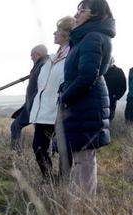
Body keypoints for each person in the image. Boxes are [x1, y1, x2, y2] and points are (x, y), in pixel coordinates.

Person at [59, 0, 115, 195]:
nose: (76, 15)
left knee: (84, 159)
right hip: (82, 103)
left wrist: (64, 96)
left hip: (86, 103)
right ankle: (79, 205)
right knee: (80, 157)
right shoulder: (86, 37)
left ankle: (84, 210)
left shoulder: (92, 37)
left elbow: (87, 76)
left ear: (95, 14)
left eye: (81, 10)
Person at [29, 17, 74, 180]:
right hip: (45, 112)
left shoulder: (72, 56)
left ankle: (64, 184)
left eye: (59, 30)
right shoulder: (51, 58)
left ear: (68, 33)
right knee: (38, 147)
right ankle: (49, 179)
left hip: (62, 111)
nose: (55, 33)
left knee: (64, 150)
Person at [10, 45, 49, 150]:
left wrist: (32, 103)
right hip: (33, 104)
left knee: (15, 126)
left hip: (35, 105)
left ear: (38, 54)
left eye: (32, 55)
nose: (31, 58)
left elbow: (40, 88)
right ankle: (47, 153)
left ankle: (16, 153)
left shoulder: (44, 65)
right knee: (42, 132)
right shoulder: (41, 65)